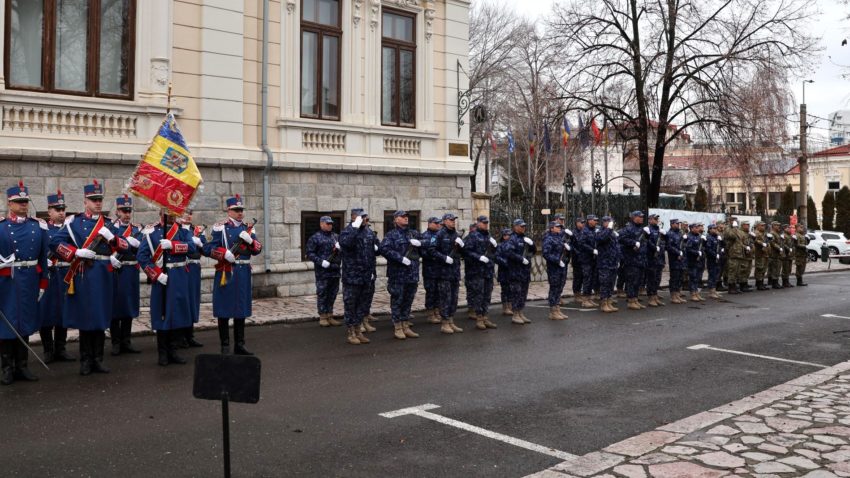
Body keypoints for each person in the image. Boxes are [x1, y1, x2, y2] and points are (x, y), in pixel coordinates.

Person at [51, 180, 129, 375]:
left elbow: (126, 246)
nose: (97, 203)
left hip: (104, 275)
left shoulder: (109, 224)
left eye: (100, 199)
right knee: (87, 317)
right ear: (85, 201)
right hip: (84, 274)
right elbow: (55, 242)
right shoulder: (74, 223)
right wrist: (75, 253)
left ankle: (98, 359)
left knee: (101, 317)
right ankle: (85, 359)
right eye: (93, 200)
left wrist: (113, 239)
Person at [1, 181, 49, 385]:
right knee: (7, 324)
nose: (23, 205)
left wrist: (43, 283)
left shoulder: (38, 226)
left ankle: (22, 366)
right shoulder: (2, 227)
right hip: (7, 282)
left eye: (25, 202)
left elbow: (43, 258)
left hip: (29, 280)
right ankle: (6, 368)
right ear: (9, 203)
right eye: (18, 202)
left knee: (25, 322)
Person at [205, 194, 262, 355]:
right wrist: (223, 254)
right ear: (228, 211)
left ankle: (240, 344)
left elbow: (258, 249)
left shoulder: (248, 228)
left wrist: (251, 241)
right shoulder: (220, 227)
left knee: (241, 308)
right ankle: (224, 345)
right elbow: (208, 248)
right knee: (224, 308)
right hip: (227, 271)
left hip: (243, 272)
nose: (240, 213)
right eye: (236, 210)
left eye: (241, 210)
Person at [138, 211, 197, 366]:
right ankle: (162, 353)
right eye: (168, 212)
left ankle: (174, 350)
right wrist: (156, 274)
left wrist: (173, 245)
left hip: (179, 276)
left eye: (174, 212)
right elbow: (142, 257)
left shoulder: (183, 230)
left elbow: (192, 248)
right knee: (162, 313)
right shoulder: (151, 231)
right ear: (161, 212)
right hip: (162, 277)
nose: (171, 215)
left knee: (177, 312)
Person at [38, 190, 75, 364]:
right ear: (49, 211)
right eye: (57, 209)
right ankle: (47, 350)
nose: (61, 212)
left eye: (63, 209)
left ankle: (61, 348)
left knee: (63, 312)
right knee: (46, 313)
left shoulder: (71, 230)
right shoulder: (42, 229)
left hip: (65, 276)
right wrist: (45, 261)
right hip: (49, 277)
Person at [379, 210, 422, 339]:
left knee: (408, 300)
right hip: (397, 274)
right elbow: (384, 249)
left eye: (406, 217)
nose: (406, 219)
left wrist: (420, 243)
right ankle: (397, 326)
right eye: (402, 217)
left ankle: (405, 325)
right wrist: (400, 258)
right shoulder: (391, 235)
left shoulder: (413, 233)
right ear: (396, 219)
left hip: (411, 274)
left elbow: (429, 243)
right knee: (397, 300)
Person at [109, 195, 142, 356]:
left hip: (131, 271)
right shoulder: (111, 228)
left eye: (129, 211)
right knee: (115, 305)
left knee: (129, 305)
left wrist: (137, 245)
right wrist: (110, 259)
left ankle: (126, 340)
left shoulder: (137, 229)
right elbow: (104, 247)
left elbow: (144, 251)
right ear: (117, 211)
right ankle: (115, 341)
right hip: (116, 271)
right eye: (124, 211)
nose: (127, 214)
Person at [337, 208, 376, 345]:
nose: (366, 219)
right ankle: (351, 332)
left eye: (366, 216)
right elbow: (346, 243)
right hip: (352, 276)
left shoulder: (368, 232)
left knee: (362, 304)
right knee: (351, 305)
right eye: (362, 217)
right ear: (354, 217)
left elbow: (374, 250)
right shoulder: (348, 231)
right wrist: (355, 227)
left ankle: (358, 330)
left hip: (366, 275)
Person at [429, 213, 464, 334]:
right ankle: (444, 323)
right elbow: (431, 251)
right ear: (444, 221)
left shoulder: (456, 234)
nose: (453, 221)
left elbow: (462, 253)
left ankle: (451, 321)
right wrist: (444, 258)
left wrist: (462, 246)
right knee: (445, 298)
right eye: (450, 220)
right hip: (443, 273)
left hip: (454, 272)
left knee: (454, 298)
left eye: (454, 220)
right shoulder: (439, 234)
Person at [462, 215, 498, 329]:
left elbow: (494, 253)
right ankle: (479, 319)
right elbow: (467, 252)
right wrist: (479, 257)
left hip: (488, 270)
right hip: (477, 271)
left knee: (487, 295)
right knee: (479, 295)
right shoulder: (473, 236)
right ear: (478, 223)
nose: (486, 224)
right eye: (483, 222)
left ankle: (485, 317)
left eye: (487, 223)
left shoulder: (488, 236)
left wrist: (495, 246)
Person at [306, 216, 343, 327]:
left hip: (335, 270)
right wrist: (321, 261)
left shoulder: (336, 237)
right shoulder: (315, 238)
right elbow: (310, 253)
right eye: (327, 223)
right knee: (322, 294)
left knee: (333, 294)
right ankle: (322, 316)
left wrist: (341, 247)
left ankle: (330, 315)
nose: (330, 225)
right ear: (321, 224)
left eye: (331, 223)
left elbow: (343, 252)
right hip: (323, 271)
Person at [179, 209, 205, 347]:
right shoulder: (176, 229)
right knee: (182, 300)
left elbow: (207, 249)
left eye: (190, 213)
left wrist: (200, 243)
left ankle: (189, 335)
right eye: (185, 212)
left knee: (192, 300)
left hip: (194, 268)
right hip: (182, 267)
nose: (188, 215)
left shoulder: (198, 230)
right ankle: (179, 336)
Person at [504, 219, 536, 324]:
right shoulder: (512, 239)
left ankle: (521, 312)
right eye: (521, 226)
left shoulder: (525, 238)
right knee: (516, 293)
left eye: (524, 226)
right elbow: (509, 253)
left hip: (525, 271)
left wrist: (532, 244)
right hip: (515, 271)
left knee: (523, 293)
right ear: (515, 227)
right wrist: (521, 259)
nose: (523, 228)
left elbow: (533, 251)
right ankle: (515, 314)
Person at [619, 211, 648, 310]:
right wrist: (633, 243)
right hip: (631, 260)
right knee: (631, 281)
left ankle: (635, 299)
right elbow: (621, 238)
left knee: (638, 281)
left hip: (640, 259)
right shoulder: (628, 228)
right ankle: (631, 300)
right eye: (640, 217)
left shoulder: (641, 229)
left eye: (642, 217)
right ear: (634, 217)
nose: (642, 218)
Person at [542, 221, 569, 320]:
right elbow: (546, 254)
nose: (559, 228)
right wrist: (557, 261)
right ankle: (553, 311)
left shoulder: (558, 238)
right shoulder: (548, 239)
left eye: (560, 227)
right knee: (554, 288)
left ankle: (557, 309)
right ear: (551, 228)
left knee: (559, 288)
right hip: (554, 268)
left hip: (561, 267)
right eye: (557, 227)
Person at [420, 217, 442, 323]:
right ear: (429, 224)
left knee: (438, 291)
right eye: (436, 223)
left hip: (440, 268)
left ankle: (437, 310)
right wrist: (435, 256)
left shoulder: (440, 235)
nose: (438, 225)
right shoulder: (425, 236)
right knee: (431, 291)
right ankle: (430, 313)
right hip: (430, 269)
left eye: (439, 223)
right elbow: (423, 253)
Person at [596, 216, 620, 313]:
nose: (611, 224)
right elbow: (602, 238)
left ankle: (609, 301)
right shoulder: (600, 231)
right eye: (609, 222)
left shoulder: (612, 233)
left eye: (611, 222)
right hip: (604, 263)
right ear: (604, 223)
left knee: (611, 283)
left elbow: (617, 247)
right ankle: (604, 303)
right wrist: (609, 229)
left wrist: (618, 259)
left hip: (613, 262)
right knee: (604, 283)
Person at [576, 215, 599, 308]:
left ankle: (589, 298)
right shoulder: (584, 231)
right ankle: (585, 300)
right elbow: (581, 243)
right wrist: (591, 250)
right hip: (586, 259)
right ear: (590, 221)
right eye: (595, 220)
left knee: (592, 279)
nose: (596, 222)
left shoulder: (594, 230)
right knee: (587, 279)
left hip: (593, 259)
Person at [645, 214, 666, 307]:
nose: (657, 220)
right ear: (650, 220)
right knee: (651, 279)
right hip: (651, 258)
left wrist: (665, 236)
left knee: (657, 279)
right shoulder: (647, 230)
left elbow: (664, 243)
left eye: (657, 218)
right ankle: (651, 298)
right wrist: (654, 248)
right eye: (655, 219)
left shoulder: (659, 230)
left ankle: (655, 295)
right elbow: (647, 242)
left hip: (660, 259)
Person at [666, 219, 686, 303]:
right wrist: (678, 253)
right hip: (674, 259)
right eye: (676, 223)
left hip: (681, 259)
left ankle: (677, 295)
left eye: (678, 223)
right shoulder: (669, 234)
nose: (678, 225)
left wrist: (682, 252)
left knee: (679, 277)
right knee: (674, 277)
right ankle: (673, 296)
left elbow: (683, 245)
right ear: (672, 224)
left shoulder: (680, 233)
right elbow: (669, 247)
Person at [685, 223, 706, 302]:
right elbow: (688, 249)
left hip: (699, 260)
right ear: (691, 228)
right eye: (696, 228)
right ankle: (692, 293)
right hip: (692, 260)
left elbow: (703, 247)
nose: (698, 229)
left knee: (697, 277)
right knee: (693, 277)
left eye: (698, 227)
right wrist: (697, 252)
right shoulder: (689, 237)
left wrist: (704, 241)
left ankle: (696, 292)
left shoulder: (699, 236)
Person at [722, 218, 743, 295]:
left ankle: (734, 286)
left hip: (738, 253)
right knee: (732, 271)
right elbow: (732, 236)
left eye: (736, 221)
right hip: (732, 253)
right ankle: (731, 288)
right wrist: (734, 227)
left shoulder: (736, 229)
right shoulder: (727, 229)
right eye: (733, 221)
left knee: (736, 271)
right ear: (730, 221)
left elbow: (741, 238)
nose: (735, 222)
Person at [495, 228, 513, 316]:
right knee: (505, 289)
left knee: (512, 289)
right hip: (504, 271)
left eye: (510, 235)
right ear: (504, 236)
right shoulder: (500, 246)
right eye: (507, 235)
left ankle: (510, 305)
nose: (509, 237)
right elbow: (497, 257)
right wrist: (505, 262)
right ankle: (505, 307)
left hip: (513, 271)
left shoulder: (513, 245)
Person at [570, 218, 586, 305]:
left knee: (584, 276)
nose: (583, 224)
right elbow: (571, 245)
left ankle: (581, 293)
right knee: (577, 276)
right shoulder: (573, 233)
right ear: (577, 223)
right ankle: (576, 293)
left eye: (583, 223)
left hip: (585, 257)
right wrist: (577, 253)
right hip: (577, 258)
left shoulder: (584, 232)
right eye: (581, 222)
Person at [705, 224, 722, 299]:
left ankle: (714, 290)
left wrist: (721, 240)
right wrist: (715, 255)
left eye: (716, 228)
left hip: (717, 259)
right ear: (710, 229)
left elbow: (721, 246)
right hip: (711, 259)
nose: (715, 230)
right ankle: (711, 292)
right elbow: (708, 249)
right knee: (712, 275)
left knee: (716, 275)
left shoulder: (716, 238)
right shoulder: (709, 238)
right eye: (714, 228)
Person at [753, 221, 770, 291]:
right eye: (762, 226)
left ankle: (761, 282)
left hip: (765, 253)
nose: (763, 227)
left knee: (763, 269)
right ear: (758, 226)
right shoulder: (756, 233)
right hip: (759, 254)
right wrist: (762, 243)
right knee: (759, 268)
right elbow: (755, 240)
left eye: (764, 226)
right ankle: (759, 283)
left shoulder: (763, 233)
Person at [767, 221, 783, 290]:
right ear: (773, 226)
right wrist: (779, 248)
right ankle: (774, 283)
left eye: (778, 225)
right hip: (774, 254)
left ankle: (776, 282)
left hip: (778, 254)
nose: (778, 227)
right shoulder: (772, 233)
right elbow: (772, 243)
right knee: (775, 269)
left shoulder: (777, 233)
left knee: (777, 268)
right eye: (776, 225)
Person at [781, 224, 795, 288]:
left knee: (789, 269)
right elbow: (783, 244)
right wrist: (789, 248)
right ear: (784, 229)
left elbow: (791, 244)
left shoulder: (790, 236)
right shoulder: (784, 236)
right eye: (788, 228)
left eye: (790, 228)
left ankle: (787, 281)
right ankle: (784, 282)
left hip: (790, 255)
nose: (789, 229)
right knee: (785, 269)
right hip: (785, 255)